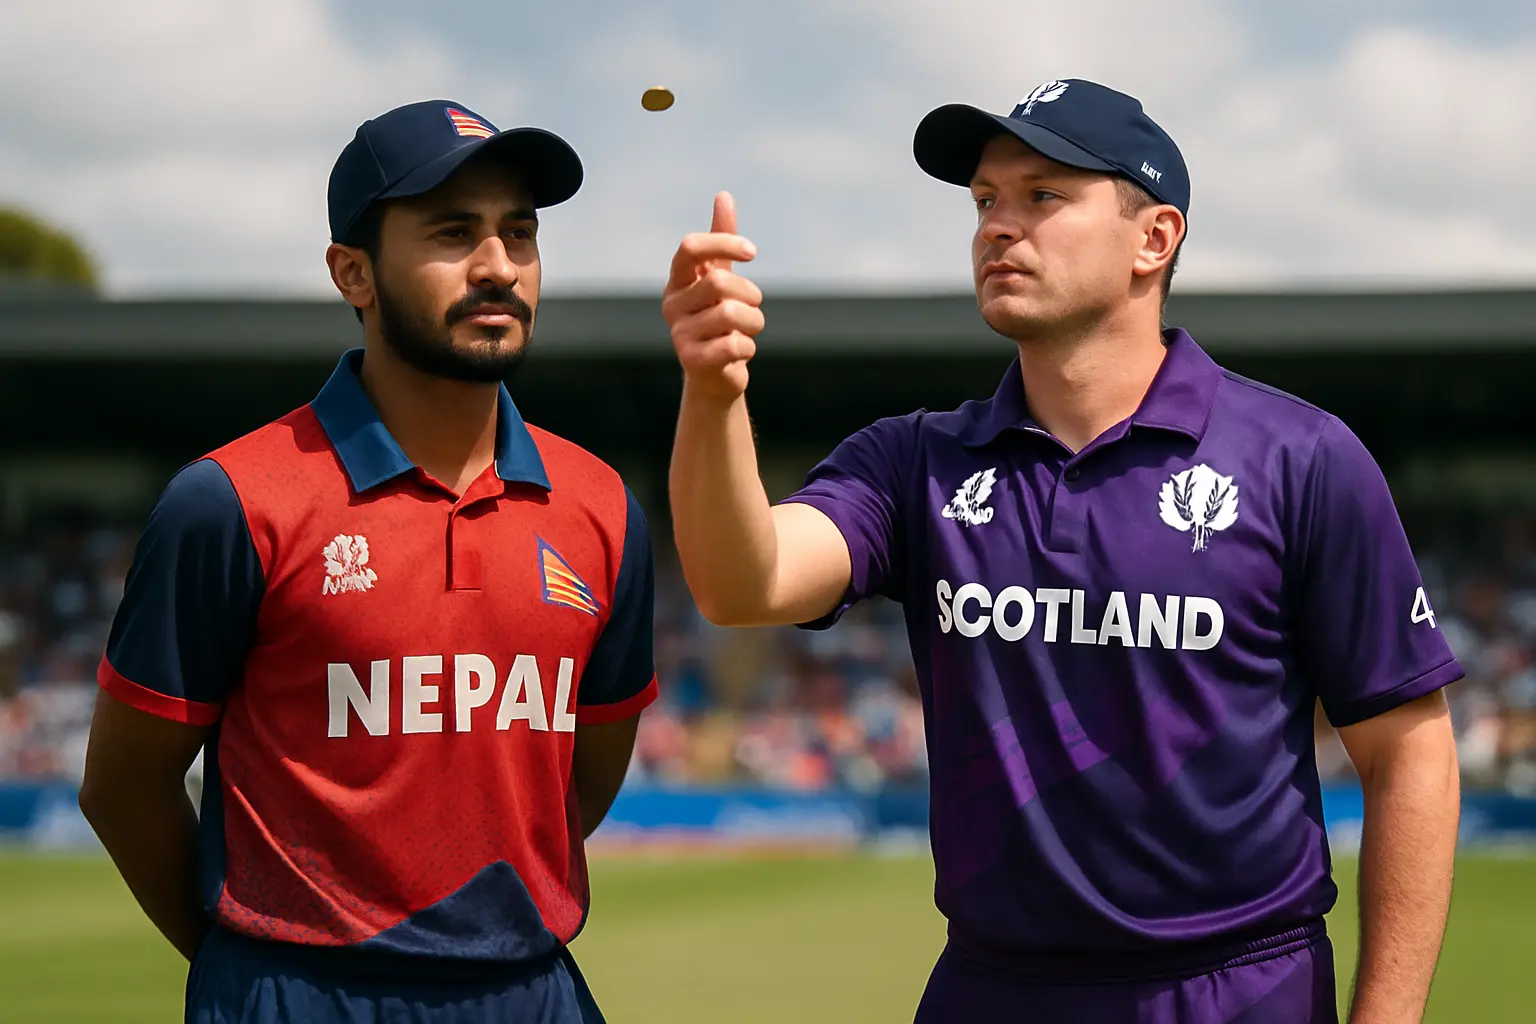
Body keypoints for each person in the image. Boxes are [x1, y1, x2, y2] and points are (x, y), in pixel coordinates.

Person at [663, 79, 1462, 1023]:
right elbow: (739, 582)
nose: (999, 226)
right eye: (985, 201)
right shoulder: (917, 458)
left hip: (1238, 992)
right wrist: (713, 395)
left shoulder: (1302, 459)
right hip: (992, 989)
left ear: (1153, 238)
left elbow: (1410, 755)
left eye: (1043, 196)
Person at [79, 99, 657, 1024]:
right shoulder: (231, 499)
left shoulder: (603, 508)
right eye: (453, 233)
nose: (498, 266)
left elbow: (576, 789)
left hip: (533, 994)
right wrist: (249, 962)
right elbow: (122, 786)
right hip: (294, 991)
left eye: (520, 233)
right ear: (353, 272)